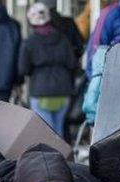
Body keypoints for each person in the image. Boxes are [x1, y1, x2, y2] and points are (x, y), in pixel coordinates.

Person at [18, 3, 77, 136]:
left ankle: (52, 156)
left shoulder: (29, 43)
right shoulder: (63, 39)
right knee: (58, 131)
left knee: (46, 134)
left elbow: (23, 69)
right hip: (63, 91)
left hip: (41, 92)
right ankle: (61, 155)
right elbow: (72, 63)